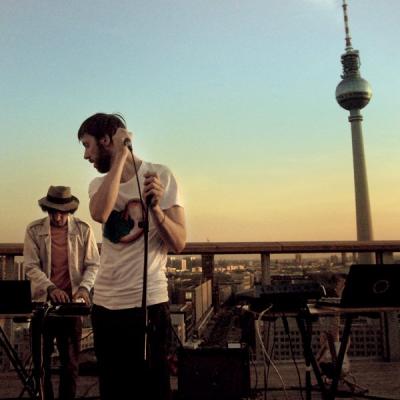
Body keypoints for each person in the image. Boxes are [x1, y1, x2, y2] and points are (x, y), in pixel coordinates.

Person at [77, 112, 186, 400]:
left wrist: (157, 210)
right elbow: (100, 212)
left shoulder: (160, 175)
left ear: (105, 140)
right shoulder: (99, 185)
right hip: (106, 306)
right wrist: (120, 157)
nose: (86, 155)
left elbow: (179, 242)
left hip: (148, 304)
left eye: (87, 145)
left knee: (153, 389)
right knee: (114, 390)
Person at [23, 185, 100, 400]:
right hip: (43, 305)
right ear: (47, 210)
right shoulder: (33, 230)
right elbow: (30, 265)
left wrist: (84, 288)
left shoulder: (83, 229)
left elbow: (93, 264)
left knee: (70, 364)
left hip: (71, 306)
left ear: (69, 211)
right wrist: (50, 288)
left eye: (62, 212)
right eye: (53, 212)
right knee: (41, 365)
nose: (57, 217)